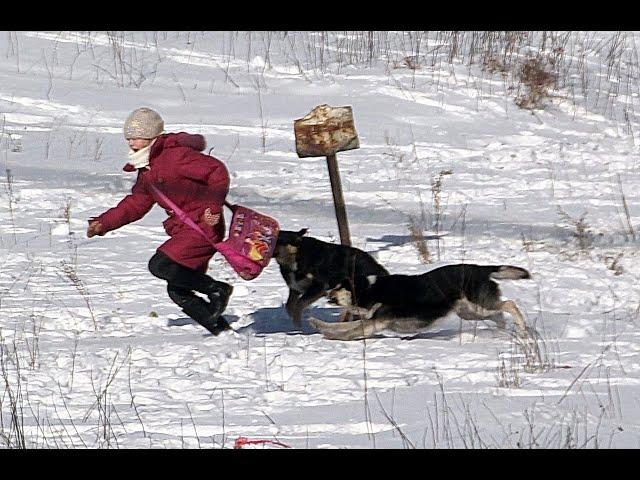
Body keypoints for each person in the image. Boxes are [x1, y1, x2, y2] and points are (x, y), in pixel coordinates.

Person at [87, 107, 234, 335]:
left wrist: (212, 206)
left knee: (160, 265)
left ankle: (218, 289)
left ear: (151, 136)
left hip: (203, 225)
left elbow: (217, 171)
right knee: (178, 291)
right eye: (129, 138)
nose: (131, 143)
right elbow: (138, 202)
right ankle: (223, 333)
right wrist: (104, 223)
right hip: (185, 228)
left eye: (135, 137)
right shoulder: (147, 167)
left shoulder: (174, 157)